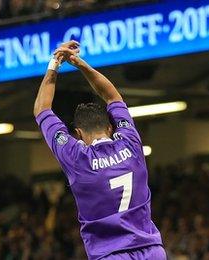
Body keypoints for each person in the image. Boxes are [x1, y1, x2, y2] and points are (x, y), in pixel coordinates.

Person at [33, 41, 165, 259]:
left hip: (111, 254)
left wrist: (55, 62)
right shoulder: (130, 143)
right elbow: (113, 96)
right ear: (110, 127)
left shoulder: (77, 157)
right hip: (152, 252)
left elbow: (42, 109)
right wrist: (80, 63)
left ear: (78, 134)